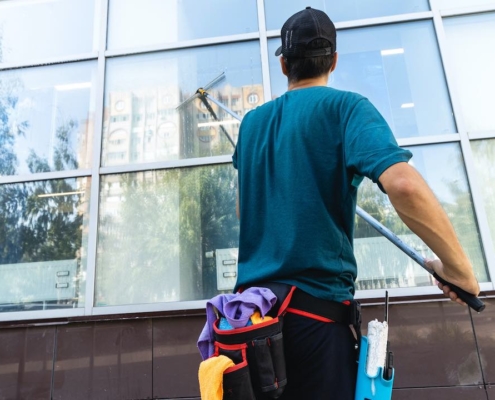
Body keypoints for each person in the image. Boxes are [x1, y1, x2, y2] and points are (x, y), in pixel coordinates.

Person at [232, 6, 480, 400]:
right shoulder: (346, 108)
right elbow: (404, 185)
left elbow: (245, 214)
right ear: (333, 60)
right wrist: (459, 270)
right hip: (315, 323)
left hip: (250, 328)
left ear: (284, 65)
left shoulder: (251, 126)